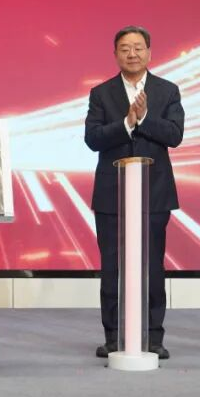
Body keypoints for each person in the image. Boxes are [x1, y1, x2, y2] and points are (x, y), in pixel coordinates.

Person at [84, 25, 183, 360]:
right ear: (115, 54)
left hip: (154, 193)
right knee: (112, 266)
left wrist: (144, 119)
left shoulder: (167, 91)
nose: (132, 54)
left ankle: (153, 336)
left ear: (149, 53)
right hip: (112, 193)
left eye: (138, 48)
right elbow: (93, 139)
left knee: (152, 265)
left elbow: (175, 135)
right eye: (125, 48)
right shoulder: (101, 93)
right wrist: (126, 123)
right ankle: (114, 336)